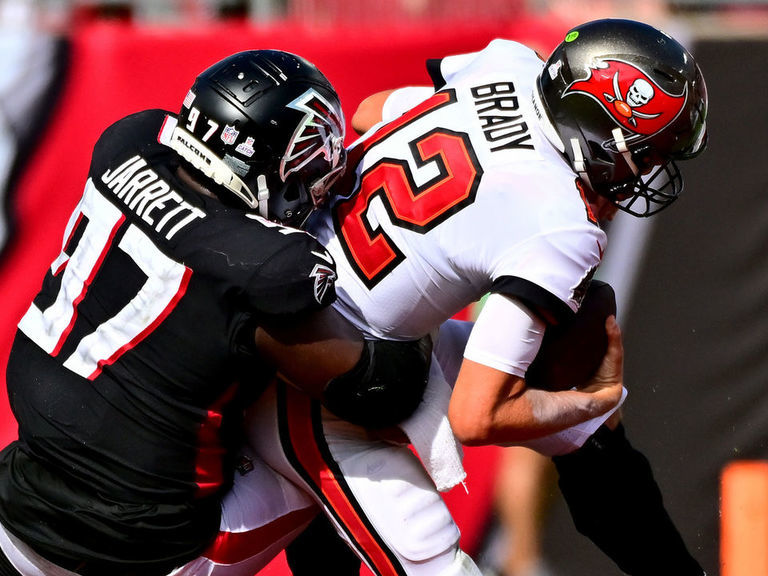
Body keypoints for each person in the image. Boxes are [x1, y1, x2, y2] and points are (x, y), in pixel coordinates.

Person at [172, 17, 709, 576]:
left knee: (584, 432)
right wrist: (595, 398)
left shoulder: (511, 64)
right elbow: (478, 415)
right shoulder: (560, 224)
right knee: (444, 556)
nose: (649, 169)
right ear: (593, 131)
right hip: (309, 378)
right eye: (644, 152)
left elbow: (370, 112)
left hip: (340, 328)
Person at [0, 49, 435, 576]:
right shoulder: (264, 264)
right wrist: (420, 301)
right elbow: (382, 390)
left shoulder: (129, 140)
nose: (322, 168)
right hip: (134, 546)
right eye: (309, 153)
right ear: (259, 158)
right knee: (320, 442)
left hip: (28, 487)